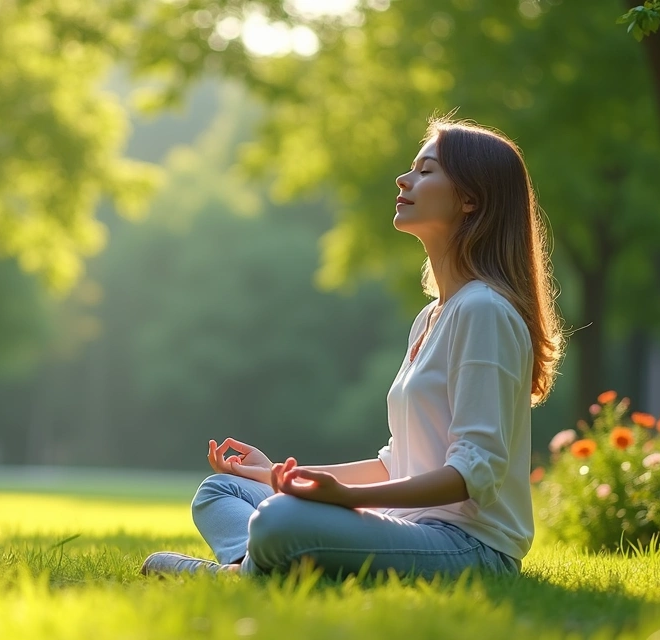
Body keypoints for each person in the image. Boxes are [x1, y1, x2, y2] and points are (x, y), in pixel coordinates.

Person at [140, 116, 565, 580]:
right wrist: (279, 474)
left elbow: (473, 473)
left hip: (467, 547)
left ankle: (237, 575)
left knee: (280, 519)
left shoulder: (484, 311)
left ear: (470, 199)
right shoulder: (432, 316)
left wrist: (346, 499)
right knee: (223, 490)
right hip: (404, 525)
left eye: (426, 171)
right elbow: (395, 463)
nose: (404, 179)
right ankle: (257, 566)